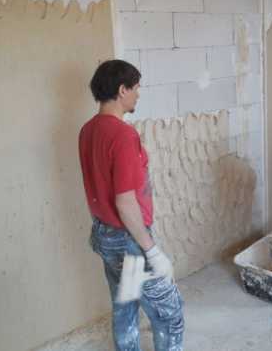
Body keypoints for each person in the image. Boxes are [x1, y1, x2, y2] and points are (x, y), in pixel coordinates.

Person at [78, 60, 184, 351]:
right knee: (169, 314)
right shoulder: (123, 136)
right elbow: (125, 202)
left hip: (104, 234)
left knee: (125, 306)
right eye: (136, 88)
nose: (138, 94)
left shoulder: (87, 130)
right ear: (122, 90)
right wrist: (152, 250)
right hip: (129, 242)